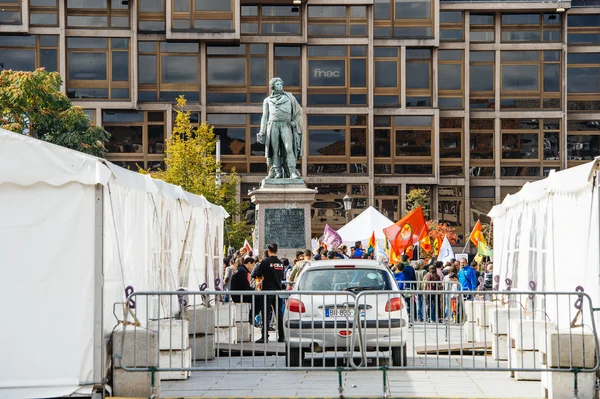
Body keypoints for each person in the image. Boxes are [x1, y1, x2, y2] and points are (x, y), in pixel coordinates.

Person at [257, 77, 303, 179]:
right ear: (272, 86)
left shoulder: (290, 97)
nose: (280, 86)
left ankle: (292, 171)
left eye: (280, 84)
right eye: (277, 84)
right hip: (273, 125)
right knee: (275, 149)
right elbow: (264, 117)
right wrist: (262, 131)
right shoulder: (267, 100)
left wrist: (294, 122)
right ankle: (277, 171)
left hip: (286, 125)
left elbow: (299, 111)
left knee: (289, 148)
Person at [250, 243, 285, 343]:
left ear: (268, 251)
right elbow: (281, 276)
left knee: (265, 313)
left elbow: (257, 274)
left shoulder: (265, 261)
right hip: (277, 291)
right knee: (278, 313)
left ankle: (264, 336)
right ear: (277, 251)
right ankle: (281, 336)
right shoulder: (280, 262)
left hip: (267, 291)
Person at [230, 257, 256, 323]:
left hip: (238, 294)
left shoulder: (241, 270)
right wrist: (255, 291)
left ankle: (251, 316)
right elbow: (246, 287)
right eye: (253, 265)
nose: (253, 268)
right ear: (249, 263)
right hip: (239, 296)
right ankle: (251, 316)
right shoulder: (242, 271)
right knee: (260, 298)